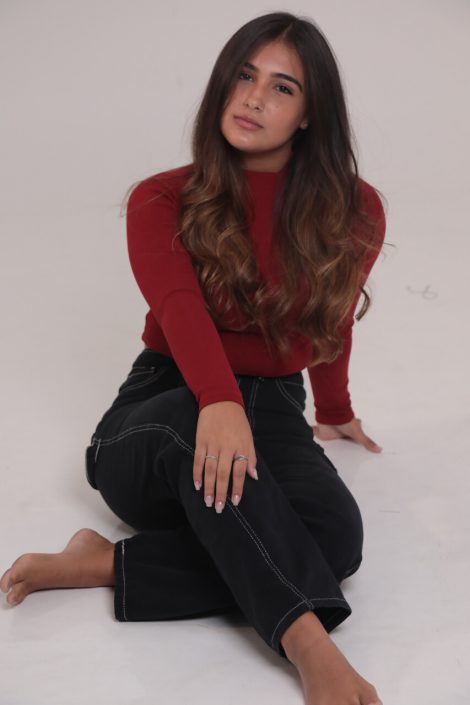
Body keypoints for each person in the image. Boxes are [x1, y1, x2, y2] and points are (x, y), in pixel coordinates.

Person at [0, 11, 387, 705]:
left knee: (336, 538)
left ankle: (108, 563)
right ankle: (310, 644)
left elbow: (332, 318)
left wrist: (335, 409)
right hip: (161, 410)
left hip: (273, 408)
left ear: (310, 114)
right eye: (244, 76)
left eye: (282, 87)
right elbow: (179, 309)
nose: (253, 98)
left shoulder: (354, 211)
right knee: (194, 422)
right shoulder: (161, 198)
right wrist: (219, 399)